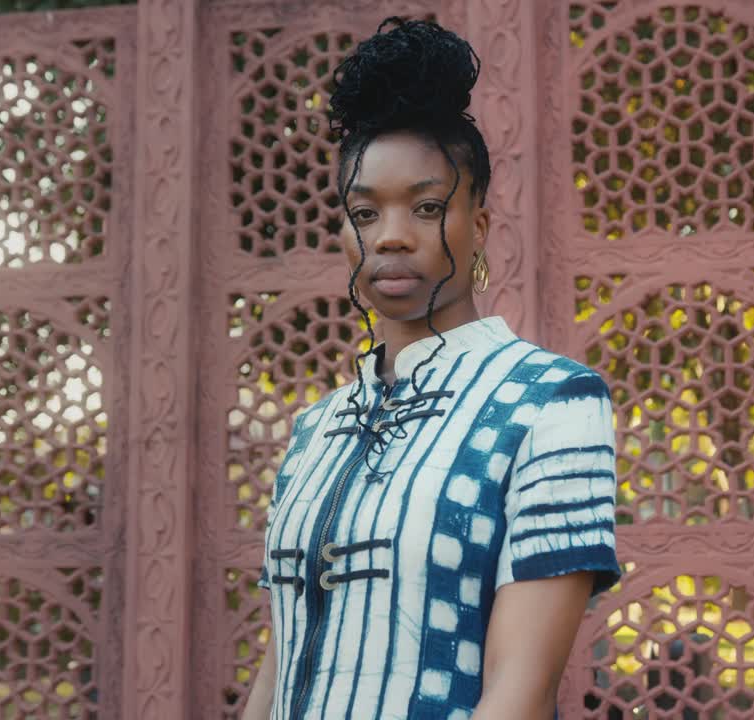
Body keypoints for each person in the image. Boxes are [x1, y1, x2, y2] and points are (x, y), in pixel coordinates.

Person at [242, 17, 620, 720]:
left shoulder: (551, 404)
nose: (390, 234)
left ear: (476, 225)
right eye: (364, 211)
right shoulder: (314, 431)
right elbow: (281, 658)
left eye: (424, 207)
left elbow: (523, 689)